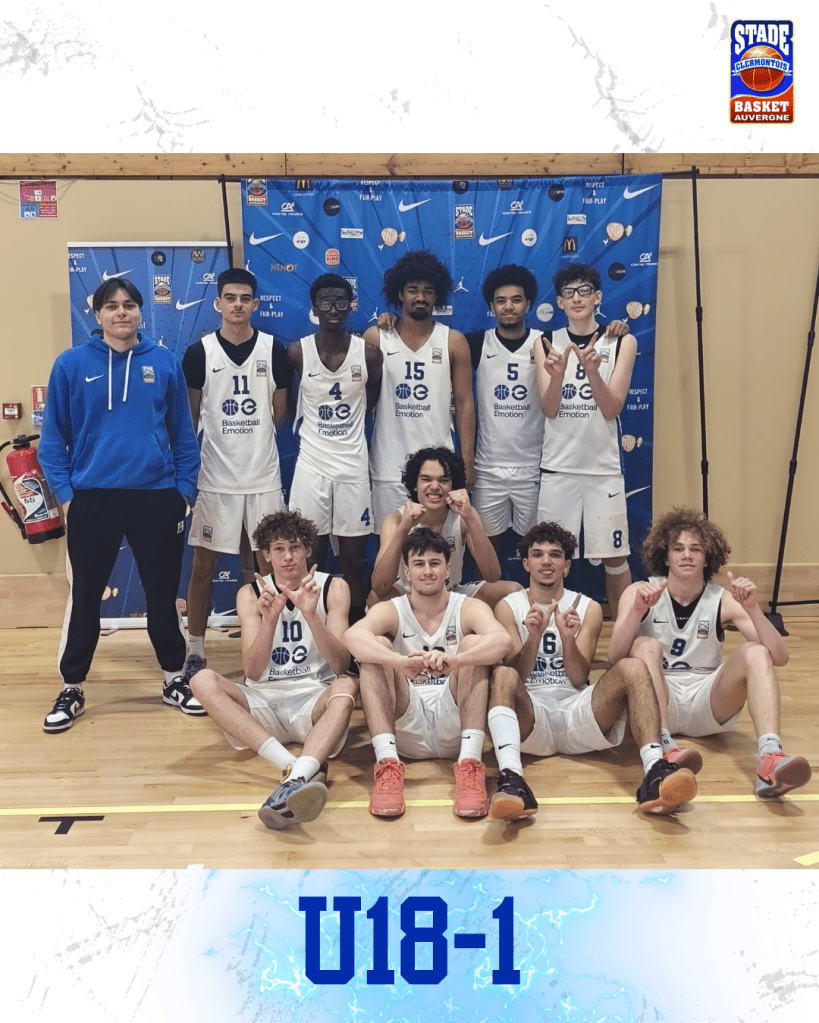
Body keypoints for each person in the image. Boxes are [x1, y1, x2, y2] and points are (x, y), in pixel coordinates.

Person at [39, 278, 201, 732]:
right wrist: (67, 499)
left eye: (129, 304)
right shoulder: (70, 365)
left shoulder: (164, 363)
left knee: (162, 597)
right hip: (92, 500)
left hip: (156, 498)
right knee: (86, 600)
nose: (121, 312)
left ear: (140, 312)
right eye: (111, 306)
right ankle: (73, 687)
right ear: (97, 315)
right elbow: (52, 442)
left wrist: (183, 493)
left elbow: (184, 436)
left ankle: (173, 678)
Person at [488, 522, 698, 820]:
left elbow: (578, 677)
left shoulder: (588, 607)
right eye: (537, 555)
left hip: (577, 710)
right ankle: (512, 778)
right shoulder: (508, 607)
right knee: (501, 675)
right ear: (526, 563)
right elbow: (516, 677)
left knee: (633, 666)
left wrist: (568, 640)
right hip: (532, 714)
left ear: (566, 565)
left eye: (555, 555)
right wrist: (533, 638)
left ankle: (655, 770)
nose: (546, 562)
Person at [607, 507, 812, 798]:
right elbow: (615, 657)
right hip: (658, 701)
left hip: (708, 702)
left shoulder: (723, 599)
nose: (687, 555)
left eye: (696, 549)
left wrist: (753, 608)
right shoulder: (639, 592)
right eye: (678, 548)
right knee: (644, 646)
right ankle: (663, 747)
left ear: (707, 557)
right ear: (665, 556)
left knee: (756, 652)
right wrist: (637, 612)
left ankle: (769, 756)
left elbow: (780, 656)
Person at [189, 511, 358, 829]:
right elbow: (253, 672)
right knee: (201, 680)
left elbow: (341, 664)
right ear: (266, 555)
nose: (288, 557)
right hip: (262, 703)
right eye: (279, 549)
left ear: (308, 550)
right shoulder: (250, 593)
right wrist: (269, 620)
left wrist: (311, 615)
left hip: (312, 703)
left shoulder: (333, 588)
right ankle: (296, 769)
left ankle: (295, 774)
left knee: (347, 686)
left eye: (295, 547)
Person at [344, 527, 514, 819]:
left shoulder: (468, 606)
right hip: (405, 721)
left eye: (435, 563)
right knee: (377, 649)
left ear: (447, 569)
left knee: (473, 644)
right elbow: (351, 637)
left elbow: (503, 641)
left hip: (456, 721)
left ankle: (470, 765)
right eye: (419, 564)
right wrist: (398, 661)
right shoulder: (393, 608)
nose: (427, 571)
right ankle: (387, 765)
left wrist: (457, 660)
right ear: (406, 572)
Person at [181, 268, 290, 681]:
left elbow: (278, 415)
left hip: (263, 477)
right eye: (230, 298)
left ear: (255, 303)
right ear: (218, 303)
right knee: (203, 568)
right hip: (216, 480)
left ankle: (271, 647)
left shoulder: (274, 350)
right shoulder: (199, 353)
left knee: (268, 569)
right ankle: (195, 650)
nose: (238, 305)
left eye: (245, 298)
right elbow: (191, 419)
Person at [535, 261, 637, 618]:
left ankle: (623, 639)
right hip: (559, 467)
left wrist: (593, 373)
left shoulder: (622, 340)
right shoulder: (546, 342)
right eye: (568, 292)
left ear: (597, 297)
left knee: (615, 557)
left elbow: (612, 408)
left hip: (602, 469)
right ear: (559, 302)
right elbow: (548, 409)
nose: (576, 298)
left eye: (584, 291)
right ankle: (547, 635)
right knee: (549, 555)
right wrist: (557, 377)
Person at [288, 273, 383, 624]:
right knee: (311, 557)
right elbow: (289, 402)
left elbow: (370, 401)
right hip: (311, 466)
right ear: (314, 308)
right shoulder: (297, 352)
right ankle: (313, 630)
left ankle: (355, 634)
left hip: (352, 467)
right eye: (325, 302)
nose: (333, 309)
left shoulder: (369, 355)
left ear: (351, 306)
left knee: (354, 561)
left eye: (341, 302)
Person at [364, 250, 475, 532]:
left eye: (428, 291)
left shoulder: (453, 341)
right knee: (391, 545)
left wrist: (466, 462)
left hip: (439, 472)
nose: (420, 297)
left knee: (437, 549)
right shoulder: (376, 338)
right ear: (400, 294)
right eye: (413, 290)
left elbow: (464, 404)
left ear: (437, 296)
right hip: (388, 466)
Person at [370, 446, 519, 609]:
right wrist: (403, 530)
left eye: (443, 480)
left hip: (451, 594)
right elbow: (380, 586)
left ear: (453, 486)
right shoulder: (396, 520)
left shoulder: (464, 516)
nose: (434, 487)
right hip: (409, 595)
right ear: (415, 485)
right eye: (426, 479)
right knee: (376, 599)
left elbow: (492, 575)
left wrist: (469, 517)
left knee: (512, 592)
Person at [465, 264, 545, 550]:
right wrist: (393, 320)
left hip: (534, 467)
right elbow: (429, 340)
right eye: (501, 301)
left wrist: (613, 330)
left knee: (538, 548)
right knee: (485, 548)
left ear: (528, 304)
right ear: (492, 306)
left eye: (516, 300)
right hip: (488, 468)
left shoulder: (545, 342)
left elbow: (585, 338)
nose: (508, 306)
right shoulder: (476, 343)